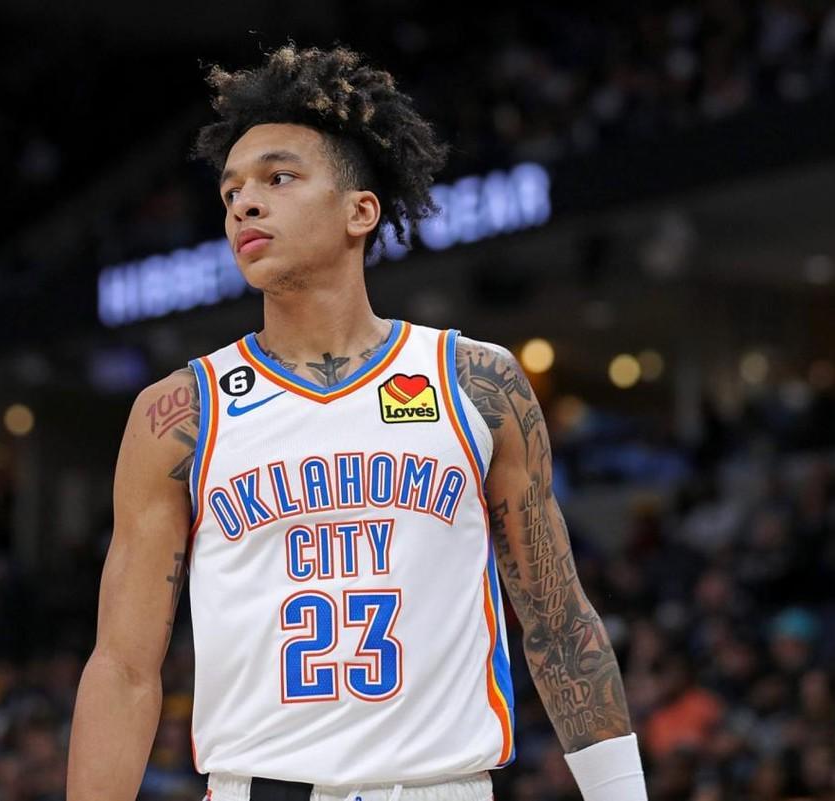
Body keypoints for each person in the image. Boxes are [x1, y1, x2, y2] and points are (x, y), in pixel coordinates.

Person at [67, 44, 648, 801]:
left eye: (278, 178)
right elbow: (122, 667)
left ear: (359, 211)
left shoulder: (476, 382)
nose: (243, 204)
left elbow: (558, 624)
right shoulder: (180, 412)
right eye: (231, 190)